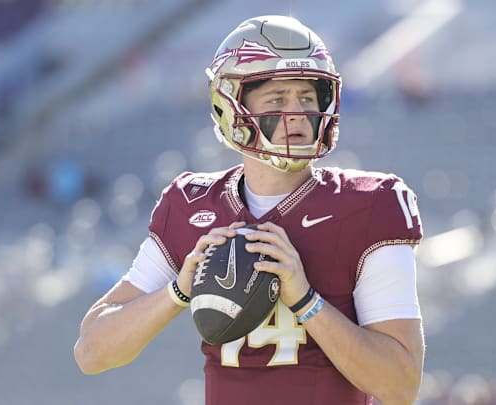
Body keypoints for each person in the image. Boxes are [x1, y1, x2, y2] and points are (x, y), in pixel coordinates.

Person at [74, 15, 425, 405]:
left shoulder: (369, 203)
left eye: (307, 98)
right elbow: (91, 352)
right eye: (277, 99)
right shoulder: (191, 205)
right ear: (231, 107)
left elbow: (400, 385)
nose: (299, 114)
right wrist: (178, 291)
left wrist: (307, 301)